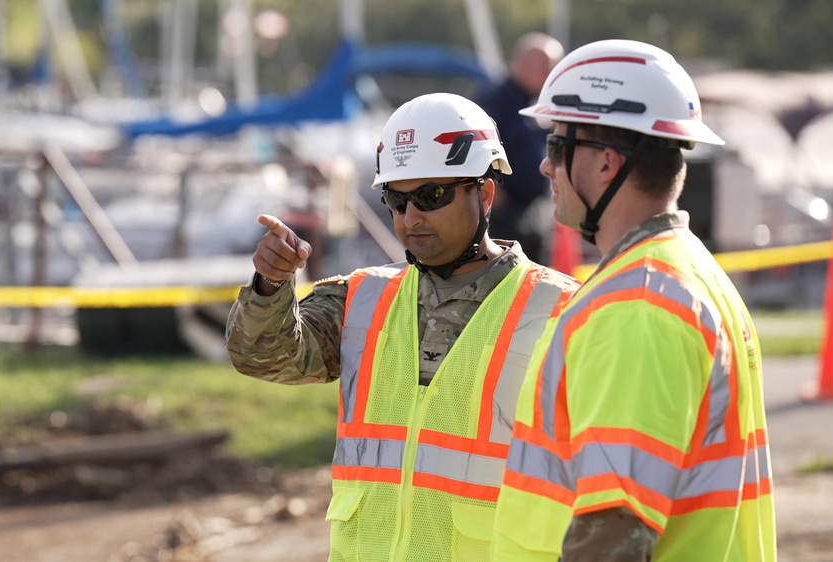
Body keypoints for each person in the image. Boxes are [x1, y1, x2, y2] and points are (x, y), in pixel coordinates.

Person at [225, 92, 579, 561]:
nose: (411, 218)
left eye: (431, 196)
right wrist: (271, 284)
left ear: (485, 193)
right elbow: (262, 355)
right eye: (396, 199)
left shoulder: (561, 310)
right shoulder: (362, 296)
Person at [491, 40, 777, 561]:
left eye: (557, 146)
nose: (545, 167)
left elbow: (613, 532)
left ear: (606, 163)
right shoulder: (684, 270)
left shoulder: (636, 306)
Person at [474, 32, 564, 263]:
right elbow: (473, 149)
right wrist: (495, 198)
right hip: (504, 220)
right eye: (549, 67)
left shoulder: (532, 104)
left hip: (532, 214)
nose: (552, 76)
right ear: (528, 64)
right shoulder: (494, 101)